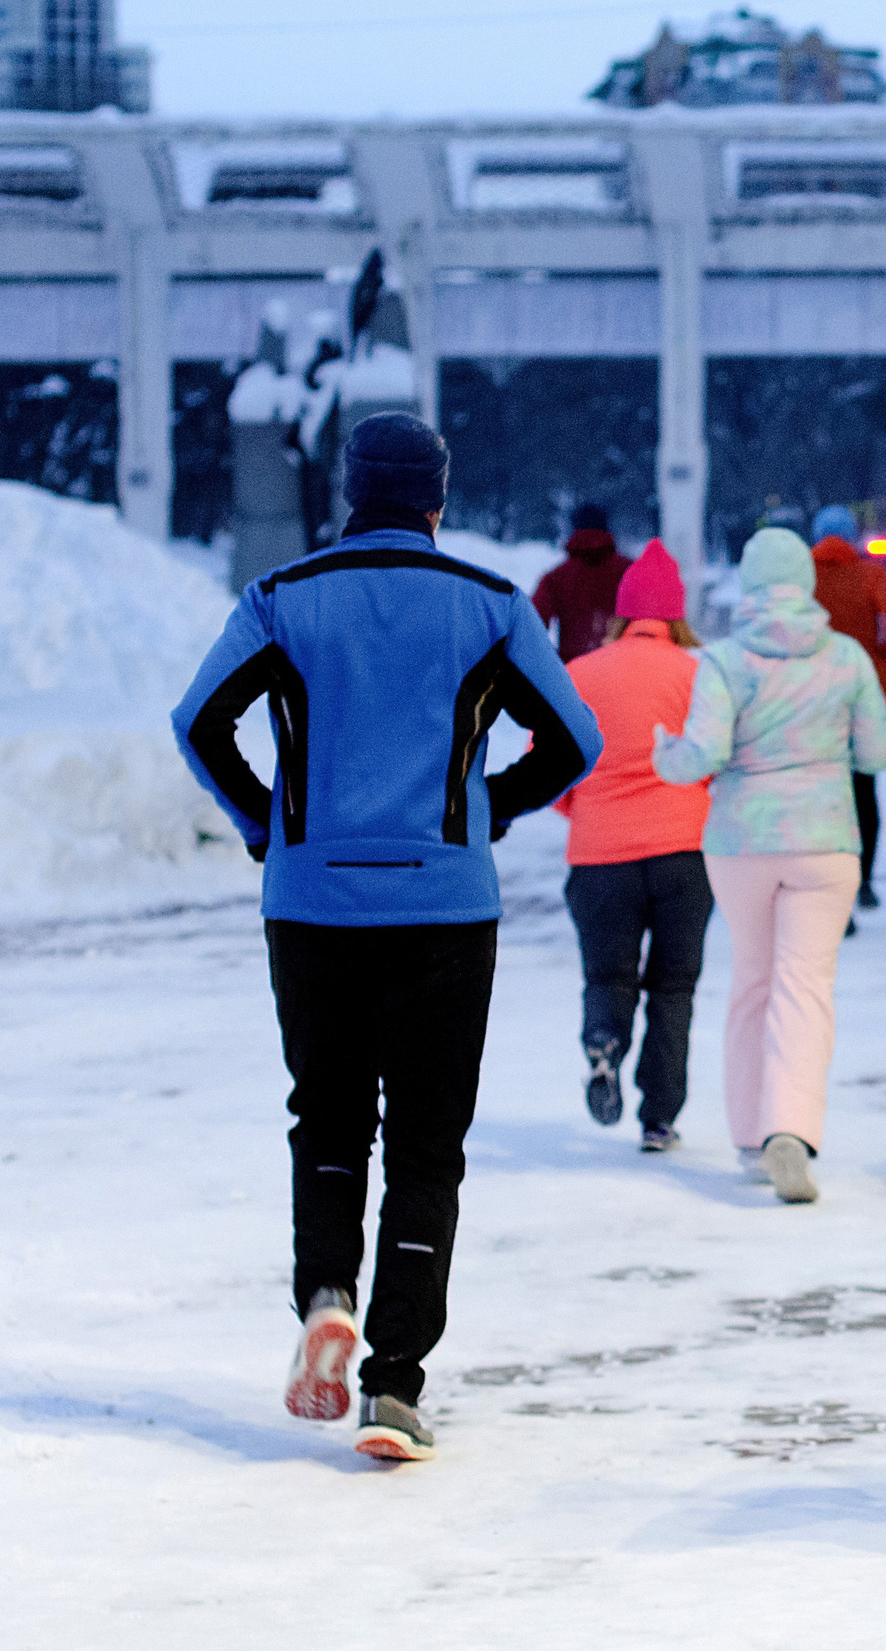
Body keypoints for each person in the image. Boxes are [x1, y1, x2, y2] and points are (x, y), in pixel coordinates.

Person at [171, 411, 602, 1464]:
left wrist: (265, 819)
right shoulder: (490, 607)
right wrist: (487, 804)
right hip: (447, 906)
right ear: (436, 499)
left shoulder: (283, 600)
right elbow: (575, 742)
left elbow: (199, 721)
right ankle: (396, 1383)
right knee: (425, 1141)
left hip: (312, 902)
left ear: (350, 493)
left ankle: (327, 1293)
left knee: (326, 1117)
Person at [653, 527, 886, 1205]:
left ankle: (750, 1139)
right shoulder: (845, 657)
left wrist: (664, 752)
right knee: (805, 985)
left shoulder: (725, 660)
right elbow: (878, 753)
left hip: (741, 842)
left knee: (752, 982)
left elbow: (700, 756)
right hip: (825, 840)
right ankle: (792, 1127)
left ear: (750, 583)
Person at [556, 539, 715, 1153]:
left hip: (599, 856)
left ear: (622, 615)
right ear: (676, 615)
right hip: (684, 852)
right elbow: (716, 760)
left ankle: (603, 1040)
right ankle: (660, 1117)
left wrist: (584, 808)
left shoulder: (580, 673)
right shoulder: (700, 675)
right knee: (673, 987)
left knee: (607, 973)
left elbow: (552, 765)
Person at [809, 504, 886, 913]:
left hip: (811, 700)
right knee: (863, 792)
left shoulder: (802, 577)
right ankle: (863, 880)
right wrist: (884, 657)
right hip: (861, 697)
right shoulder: (870, 573)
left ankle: (824, 878)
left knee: (820, 793)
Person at [532, 503, 632, 663]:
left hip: (573, 676)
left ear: (574, 530)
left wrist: (553, 664)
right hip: (624, 672)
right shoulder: (630, 573)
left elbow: (531, 630)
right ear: (606, 528)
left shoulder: (556, 578)